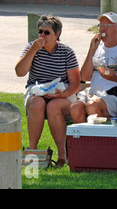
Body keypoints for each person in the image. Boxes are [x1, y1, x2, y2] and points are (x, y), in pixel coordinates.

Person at [15, 15, 80, 167]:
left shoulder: (66, 52)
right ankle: (32, 152)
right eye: (40, 32)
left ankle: (62, 156)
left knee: (53, 106)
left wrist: (64, 94)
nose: (42, 36)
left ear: (57, 35)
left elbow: (75, 83)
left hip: (61, 93)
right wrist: (33, 50)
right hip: (37, 91)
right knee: (37, 103)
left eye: (47, 32)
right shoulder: (32, 47)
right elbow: (19, 72)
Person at [70, 12, 117, 122]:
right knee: (75, 108)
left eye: (108, 26)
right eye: (101, 26)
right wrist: (91, 50)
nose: (103, 29)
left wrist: (116, 78)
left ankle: (103, 138)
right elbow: (84, 77)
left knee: (92, 106)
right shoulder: (97, 48)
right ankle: (86, 139)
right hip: (94, 93)